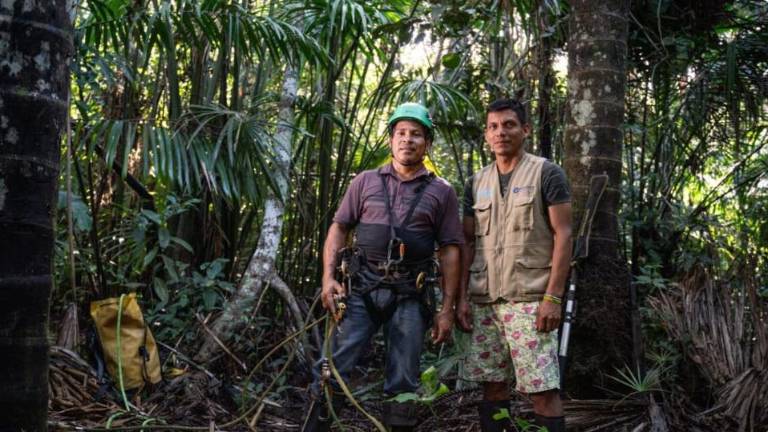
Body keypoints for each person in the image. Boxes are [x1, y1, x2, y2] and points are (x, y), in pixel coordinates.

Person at [302, 102, 463, 432]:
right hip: (360, 288)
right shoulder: (365, 181)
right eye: (401, 132)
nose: (407, 139)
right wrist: (328, 278)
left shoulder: (441, 191)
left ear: (427, 142)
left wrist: (447, 308)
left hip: (410, 294)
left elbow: (450, 250)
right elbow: (339, 228)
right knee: (333, 366)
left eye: (416, 134)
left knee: (404, 376)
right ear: (391, 139)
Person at [456, 98, 572, 432]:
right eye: (493, 127)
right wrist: (462, 298)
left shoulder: (546, 173)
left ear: (525, 129)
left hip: (531, 300)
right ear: (486, 134)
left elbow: (564, 234)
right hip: (485, 301)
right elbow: (467, 243)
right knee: (492, 386)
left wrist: (553, 297)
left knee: (542, 389)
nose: (500, 132)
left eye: (509, 125)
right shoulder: (476, 182)